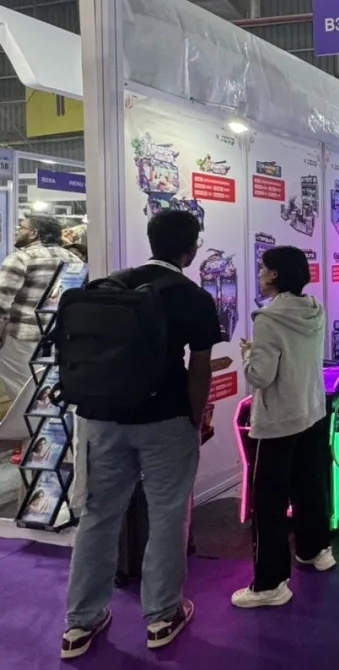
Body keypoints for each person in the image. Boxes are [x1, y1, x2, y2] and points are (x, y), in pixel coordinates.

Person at [62, 210, 221, 660]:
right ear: (190, 249)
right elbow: (199, 369)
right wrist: (195, 420)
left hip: (101, 418)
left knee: (98, 515)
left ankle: (80, 622)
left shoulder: (110, 286)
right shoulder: (193, 297)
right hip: (165, 419)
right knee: (168, 514)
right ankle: (162, 616)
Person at [231, 246, 332, 609]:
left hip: (278, 421)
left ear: (275, 274)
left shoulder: (269, 318)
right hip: (312, 411)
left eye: (263, 268)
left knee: (269, 503)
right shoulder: (315, 309)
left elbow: (261, 375)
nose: (259, 273)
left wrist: (248, 354)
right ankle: (315, 549)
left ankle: (271, 583)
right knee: (310, 487)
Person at [0, 215, 82, 463]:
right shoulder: (73, 259)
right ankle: (58, 454)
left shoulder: (20, 258)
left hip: (22, 340)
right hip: (59, 341)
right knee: (50, 397)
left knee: (27, 401)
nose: (18, 231)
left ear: (34, 233)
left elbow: (2, 300)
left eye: (22, 228)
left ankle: (38, 453)